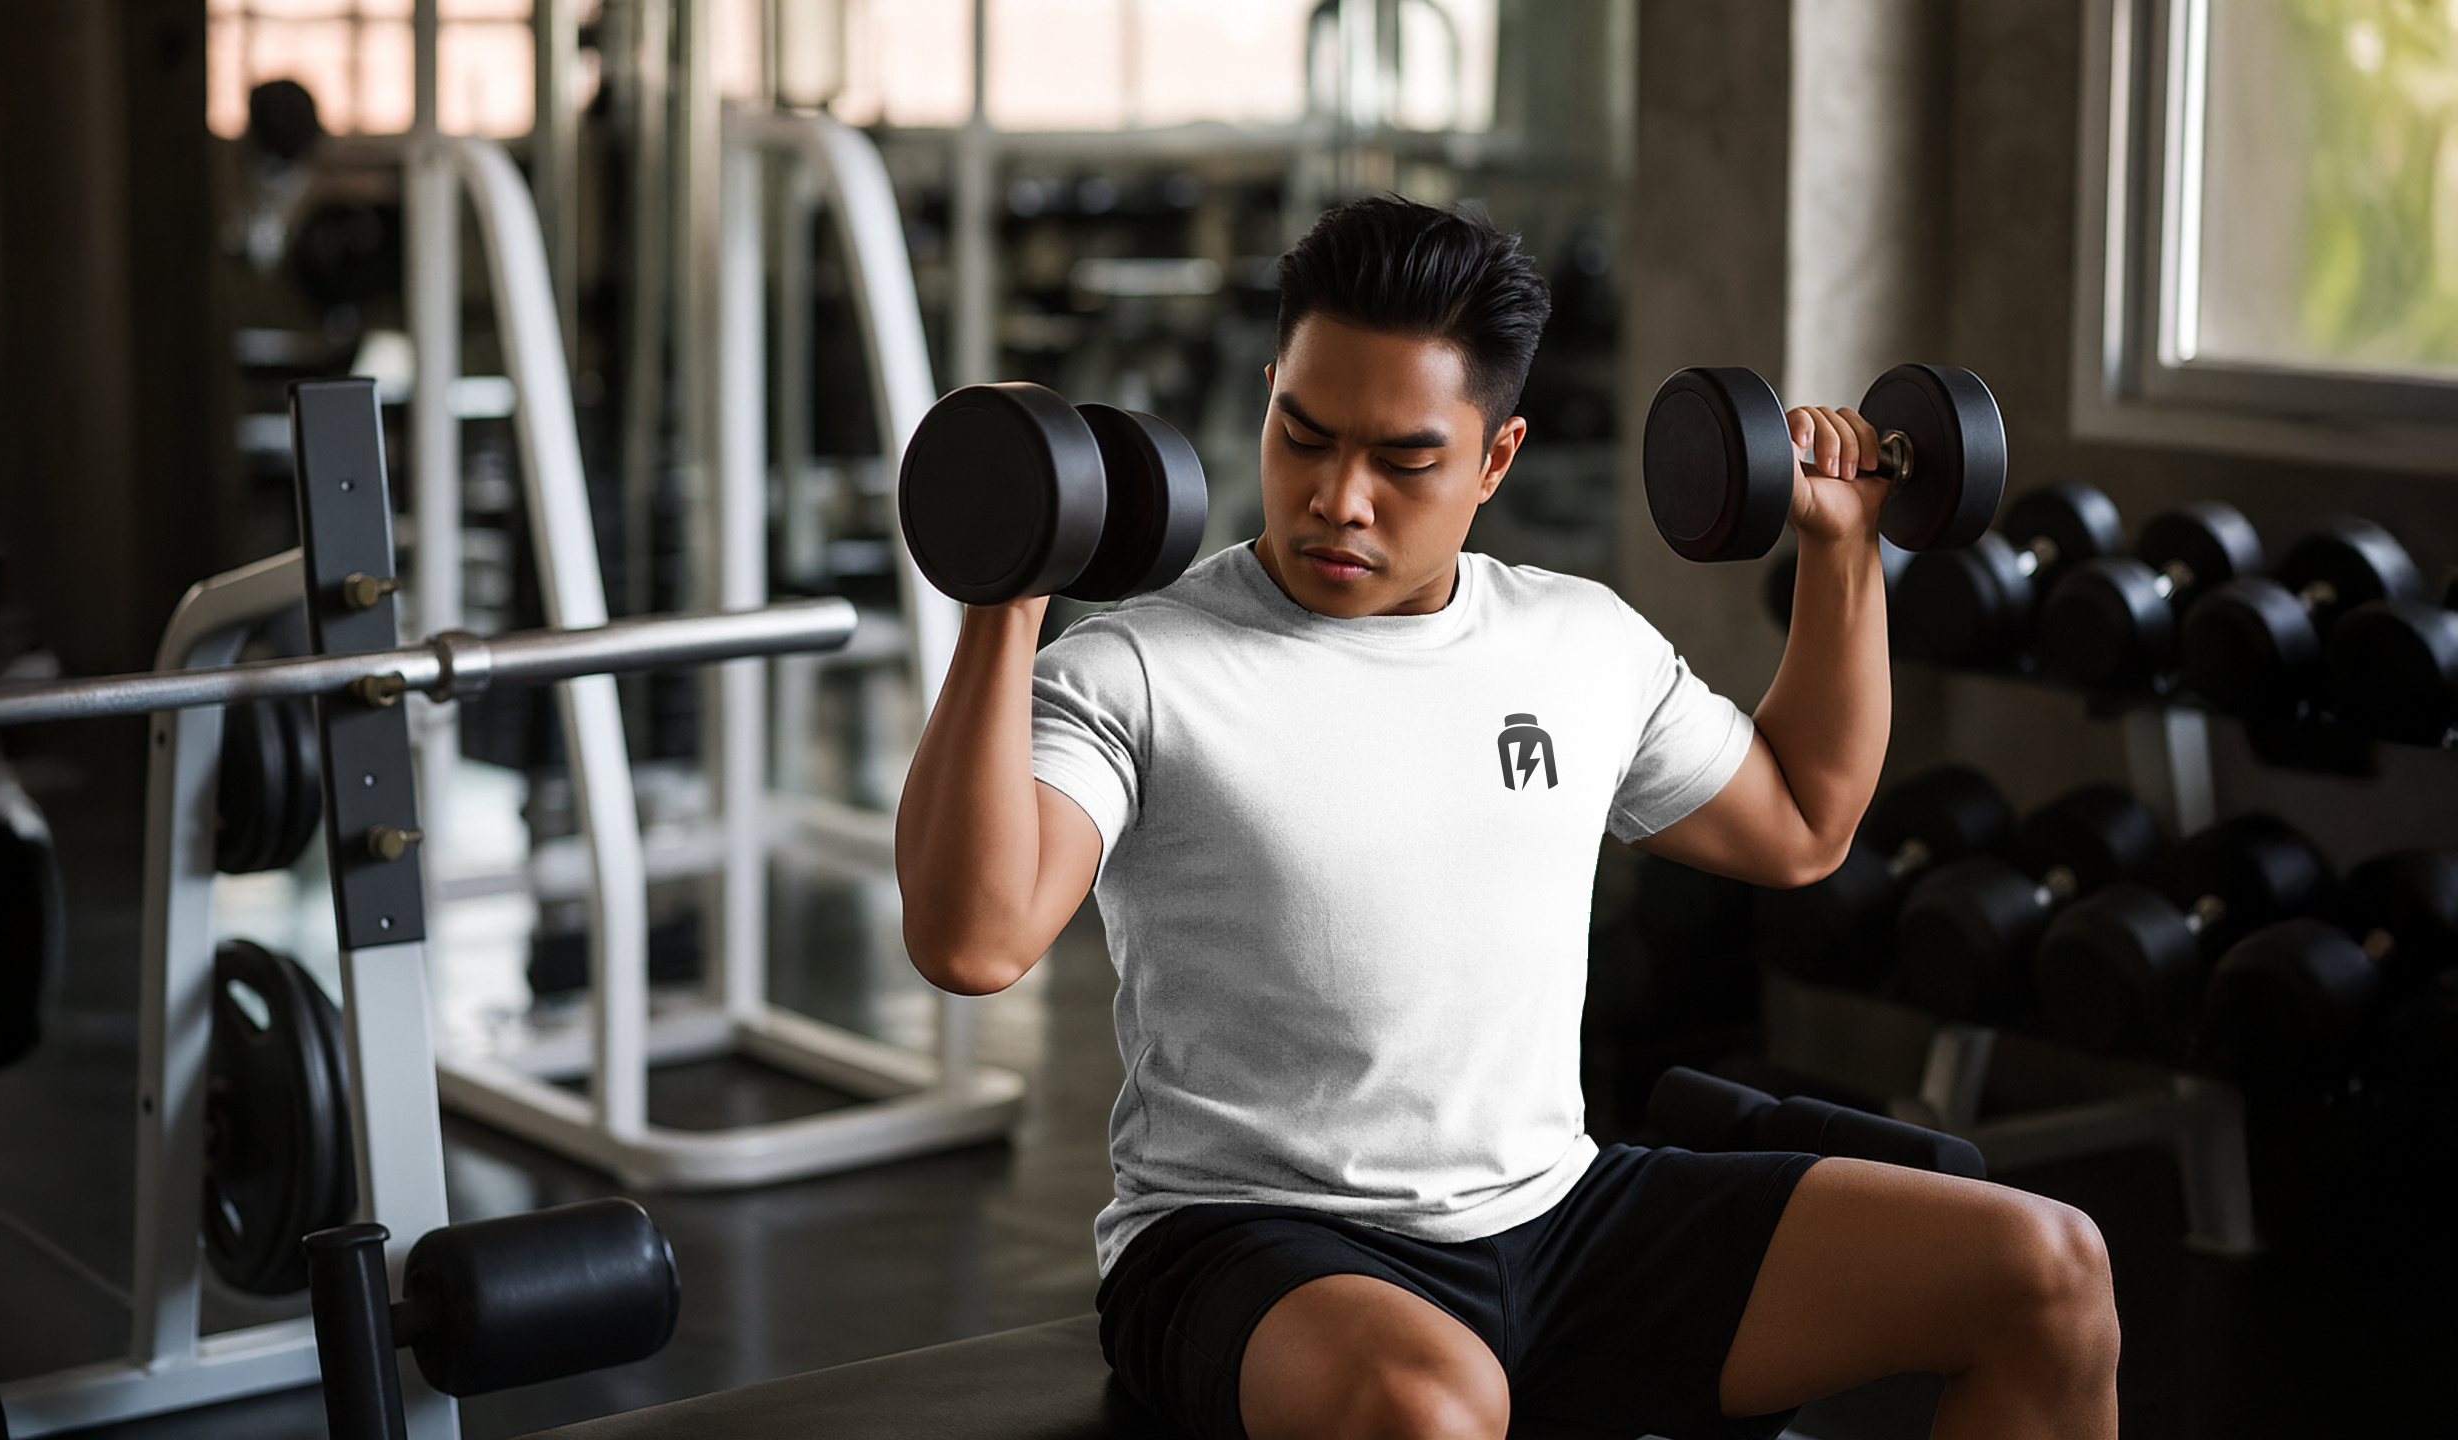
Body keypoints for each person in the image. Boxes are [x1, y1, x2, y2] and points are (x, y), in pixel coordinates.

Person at [894, 197, 2119, 1440]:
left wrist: (1842, 549)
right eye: (1303, 436)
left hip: (1556, 1213)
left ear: (1496, 458)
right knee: (1427, 1405)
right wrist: (1009, 592)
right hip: (1248, 1241)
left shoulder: (1576, 643)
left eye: (1404, 461)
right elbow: (971, 942)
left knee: (2043, 1270)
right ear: (1268, 395)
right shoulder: (1141, 671)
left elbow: (1802, 823)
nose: (1339, 499)